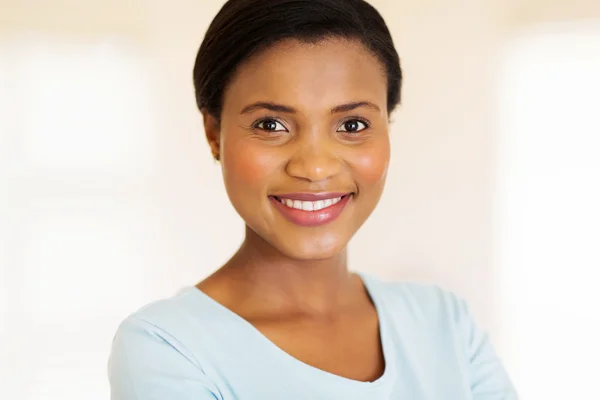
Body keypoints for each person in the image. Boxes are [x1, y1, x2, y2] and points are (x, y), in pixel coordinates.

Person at [108, 0, 518, 398]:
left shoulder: (444, 324)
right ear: (214, 133)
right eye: (271, 124)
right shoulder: (168, 349)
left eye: (353, 124)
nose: (316, 167)